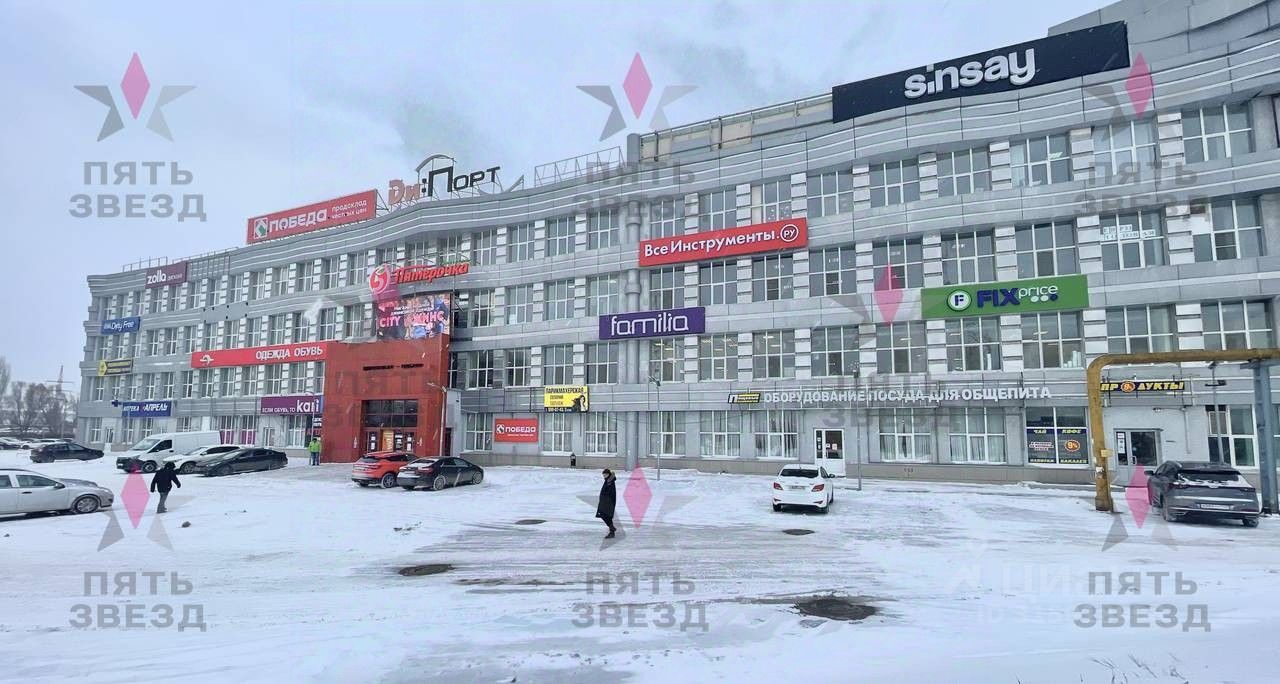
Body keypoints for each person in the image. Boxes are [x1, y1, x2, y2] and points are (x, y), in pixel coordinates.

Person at [596, 468, 617, 539]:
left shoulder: (610, 482)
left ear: (608, 474)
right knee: (605, 516)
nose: (604, 476)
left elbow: (610, 493)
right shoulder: (608, 480)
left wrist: (606, 501)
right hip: (605, 502)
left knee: (606, 516)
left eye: (605, 474)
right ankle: (612, 529)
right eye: (603, 475)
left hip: (608, 503)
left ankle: (612, 530)